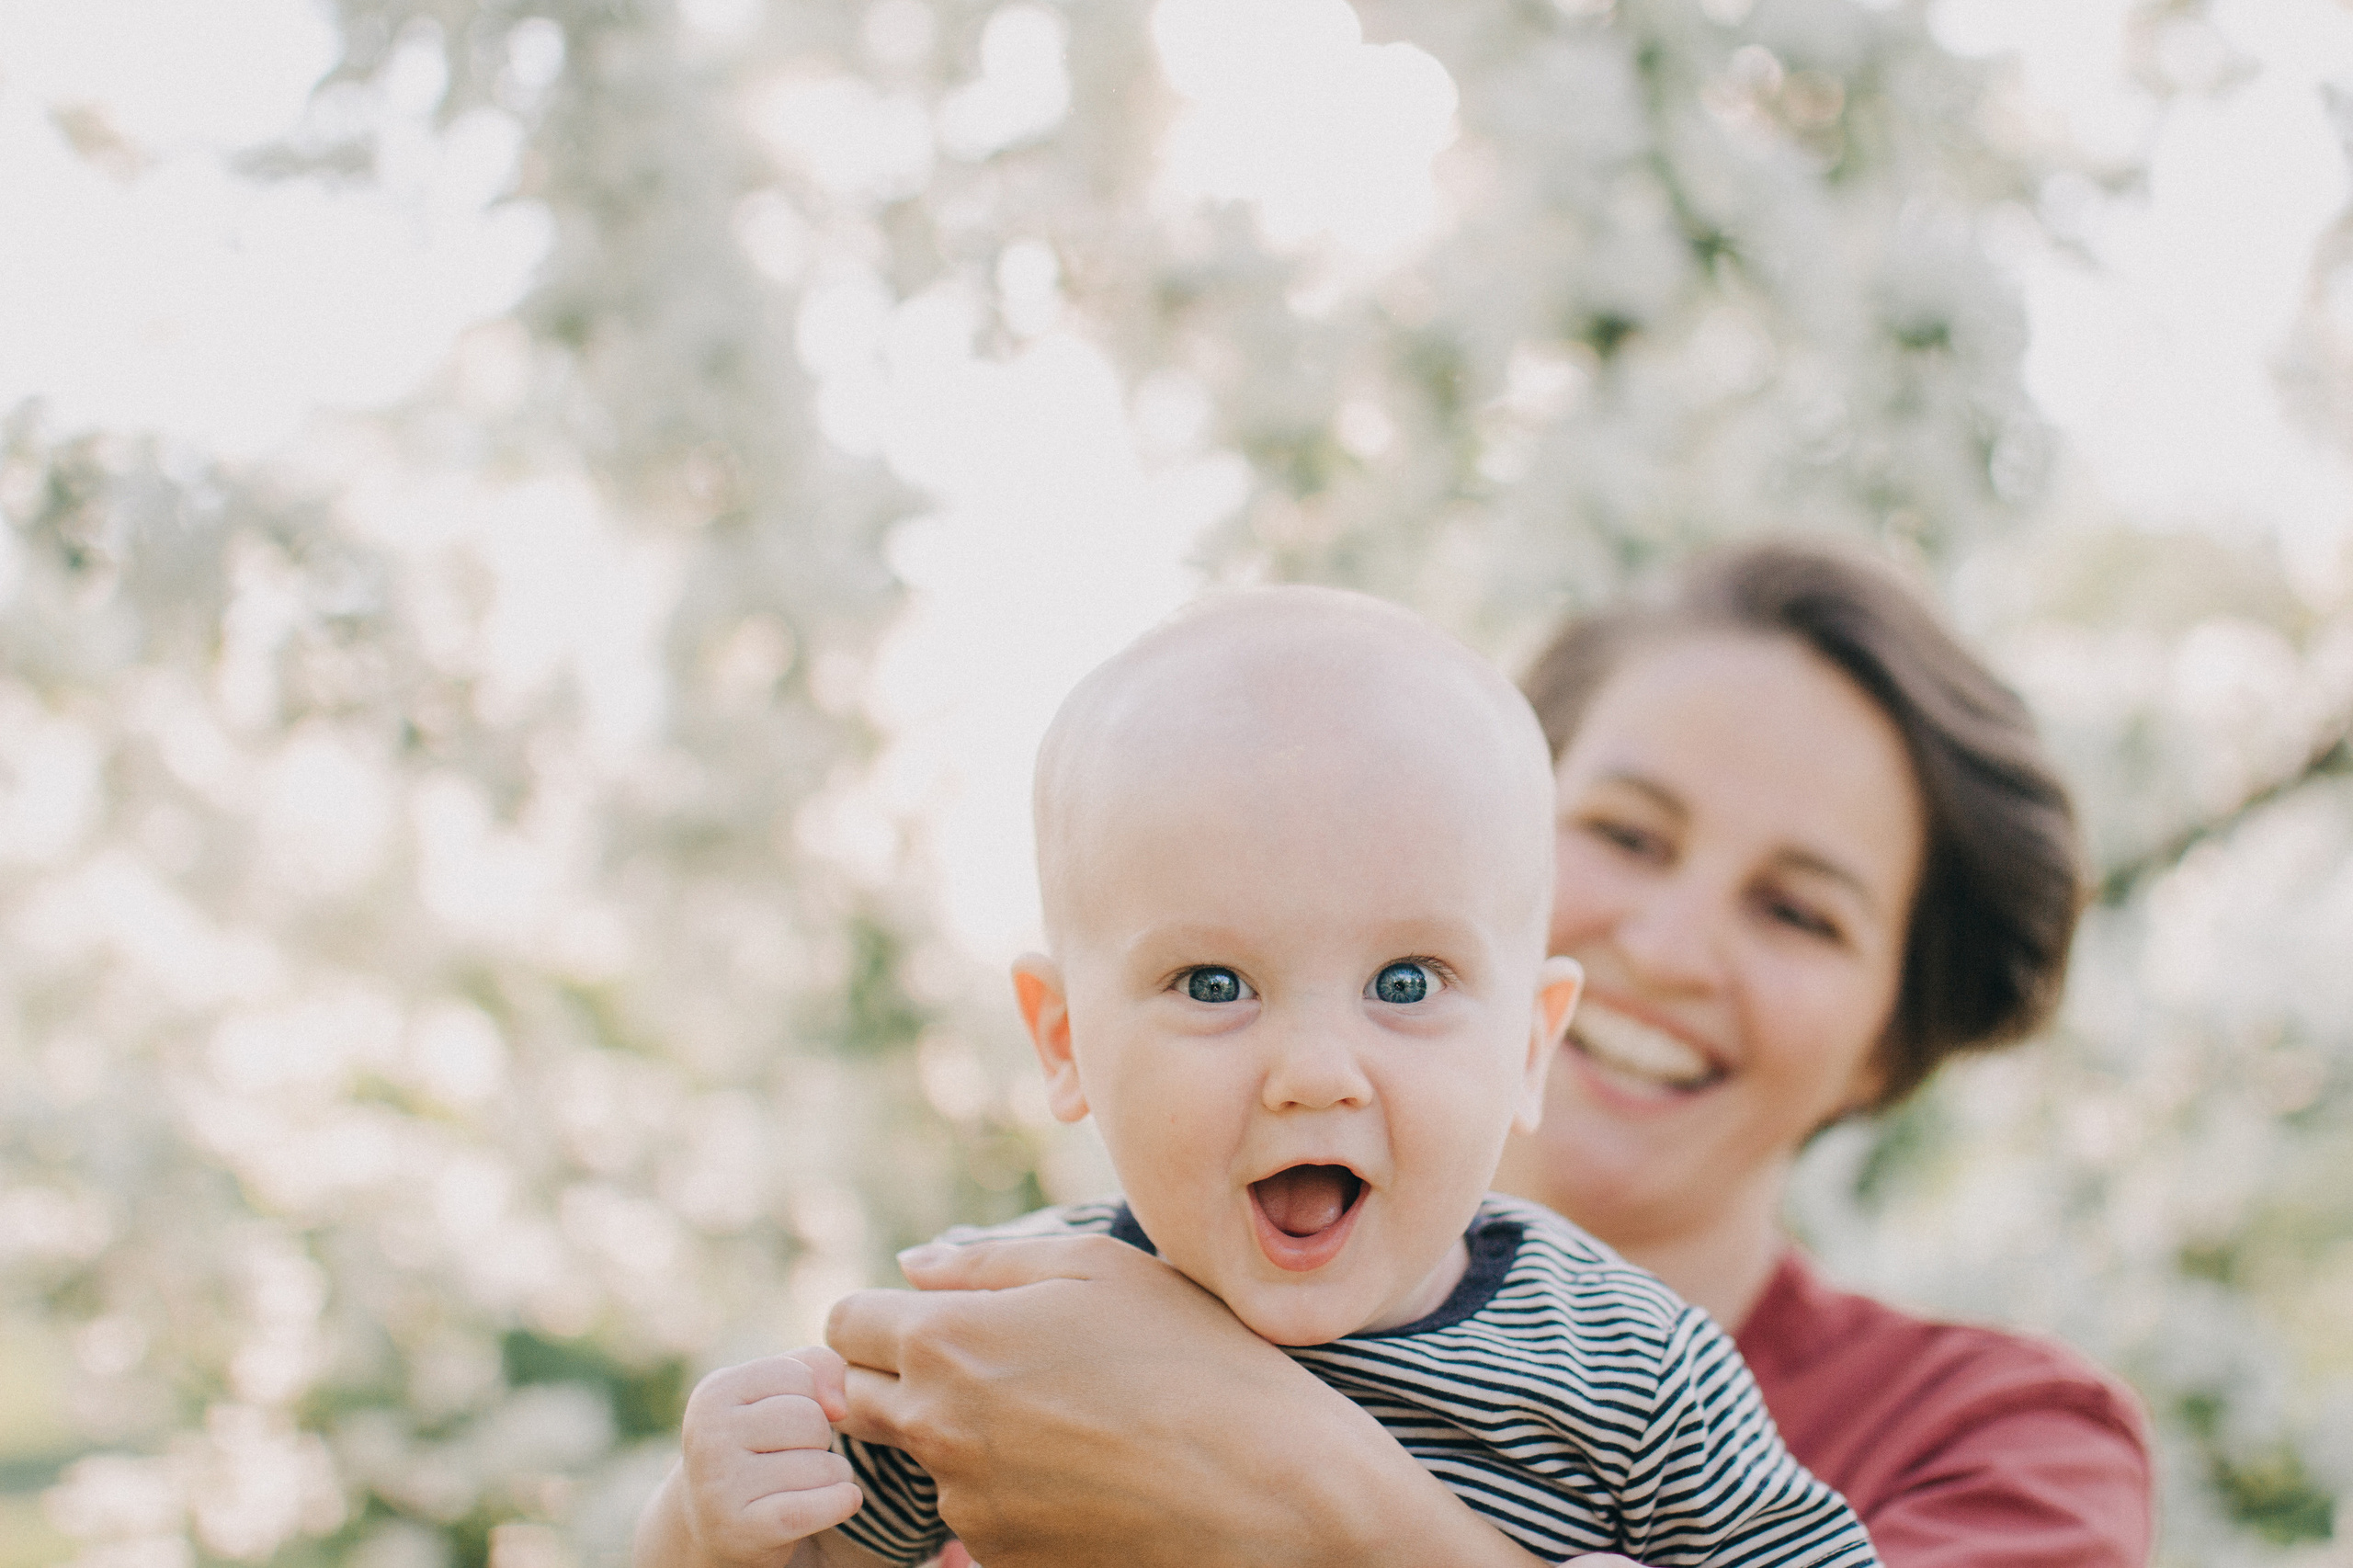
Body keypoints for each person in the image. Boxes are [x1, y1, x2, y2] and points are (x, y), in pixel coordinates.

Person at [821, 540, 2154, 1568]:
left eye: (1799, 913)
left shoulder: (1994, 1441)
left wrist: (1304, 1499)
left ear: (1889, 1044)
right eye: (1625, 833)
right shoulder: (1032, 1339)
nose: (1672, 949)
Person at [632, 585, 1882, 1568]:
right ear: (1065, 1040)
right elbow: (815, 1554)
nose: (1314, 1073)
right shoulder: (1009, 1325)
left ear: (1528, 1045)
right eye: (1214, 983)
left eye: (1407, 983)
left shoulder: (1624, 1367)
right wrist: (711, 1523)